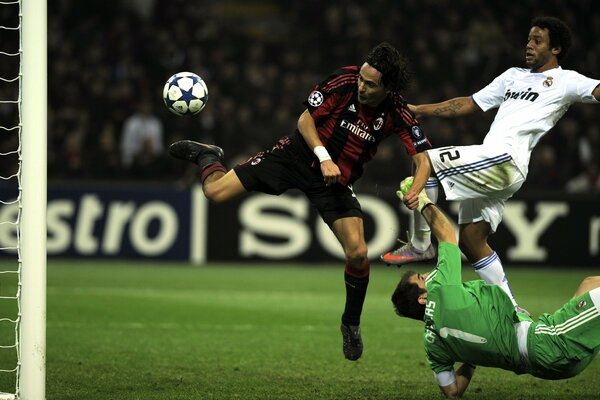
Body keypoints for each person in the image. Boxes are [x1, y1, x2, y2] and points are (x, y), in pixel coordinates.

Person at [168, 42, 437, 361]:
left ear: (388, 88)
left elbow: (422, 158)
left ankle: (350, 323)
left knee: (359, 254)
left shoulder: (397, 111)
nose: (361, 86)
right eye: (362, 79)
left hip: (335, 182)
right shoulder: (343, 81)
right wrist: (323, 156)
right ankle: (208, 155)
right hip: (296, 156)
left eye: (370, 84)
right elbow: (305, 121)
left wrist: (416, 189)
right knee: (214, 193)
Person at [382, 16, 600, 311]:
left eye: (538, 40)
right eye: (528, 39)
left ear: (556, 49)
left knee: (426, 160)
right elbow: (469, 103)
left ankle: (422, 243)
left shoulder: (567, 80)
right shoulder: (513, 76)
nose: (529, 45)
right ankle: (511, 312)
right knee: (472, 241)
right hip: (493, 163)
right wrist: (421, 109)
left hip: (505, 160)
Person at [391, 181, 600, 399]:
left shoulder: (432, 346)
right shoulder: (441, 289)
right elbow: (445, 232)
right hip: (550, 345)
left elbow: (452, 392)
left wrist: (471, 358)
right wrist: (422, 201)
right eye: (421, 278)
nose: (426, 275)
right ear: (423, 298)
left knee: (589, 284)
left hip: (544, 365)